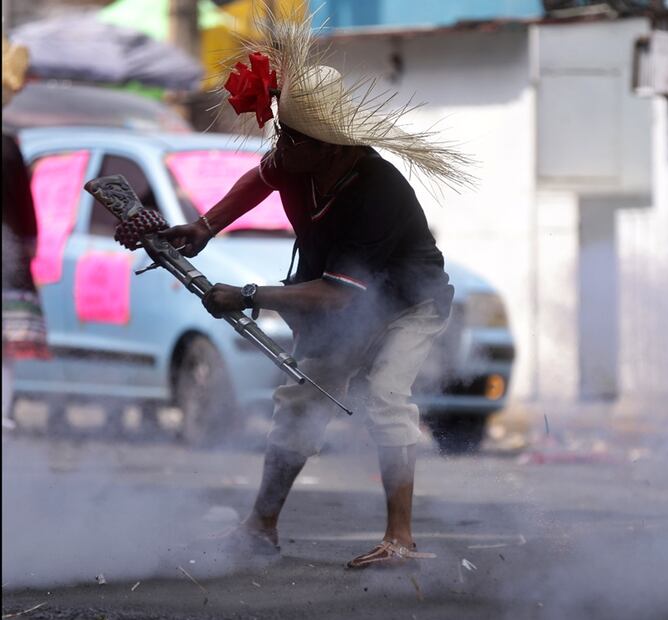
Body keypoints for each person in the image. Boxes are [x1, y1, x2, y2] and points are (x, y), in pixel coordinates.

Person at [157, 17, 473, 569]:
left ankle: (401, 539)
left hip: (409, 305)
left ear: (330, 147)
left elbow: (338, 296)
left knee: (387, 400)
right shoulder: (298, 160)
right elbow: (262, 178)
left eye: (293, 137)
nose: (280, 144)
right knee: (300, 403)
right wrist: (205, 227)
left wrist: (249, 294)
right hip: (343, 298)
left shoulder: (378, 192)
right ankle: (259, 529)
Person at [2, 38, 48, 427]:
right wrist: (29, 243)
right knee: (5, 347)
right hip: (9, 253)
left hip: (8, 252)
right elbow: (23, 205)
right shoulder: (7, 147)